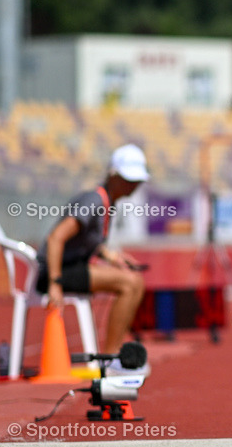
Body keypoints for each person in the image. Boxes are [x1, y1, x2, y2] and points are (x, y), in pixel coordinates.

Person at [36, 144, 151, 374]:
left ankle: (115, 355)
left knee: (134, 281)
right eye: (129, 179)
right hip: (59, 271)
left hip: (70, 267)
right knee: (131, 283)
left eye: (137, 180)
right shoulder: (94, 201)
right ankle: (111, 360)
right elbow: (56, 238)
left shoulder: (106, 201)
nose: (134, 185)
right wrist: (55, 284)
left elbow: (85, 240)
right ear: (113, 175)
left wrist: (109, 254)